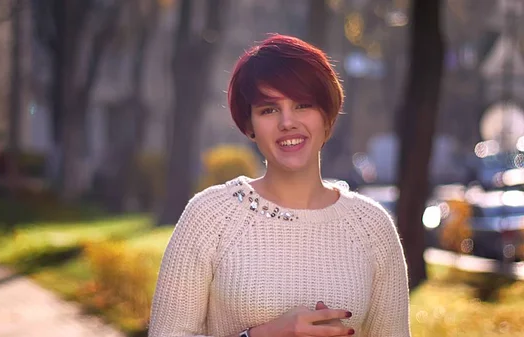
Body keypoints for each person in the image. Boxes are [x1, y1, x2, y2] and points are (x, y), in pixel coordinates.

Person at [148, 34, 411, 337]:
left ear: (327, 116)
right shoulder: (209, 217)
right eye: (268, 109)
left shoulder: (372, 226)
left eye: (303, 105)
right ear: (249, 126)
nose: (287, 122)